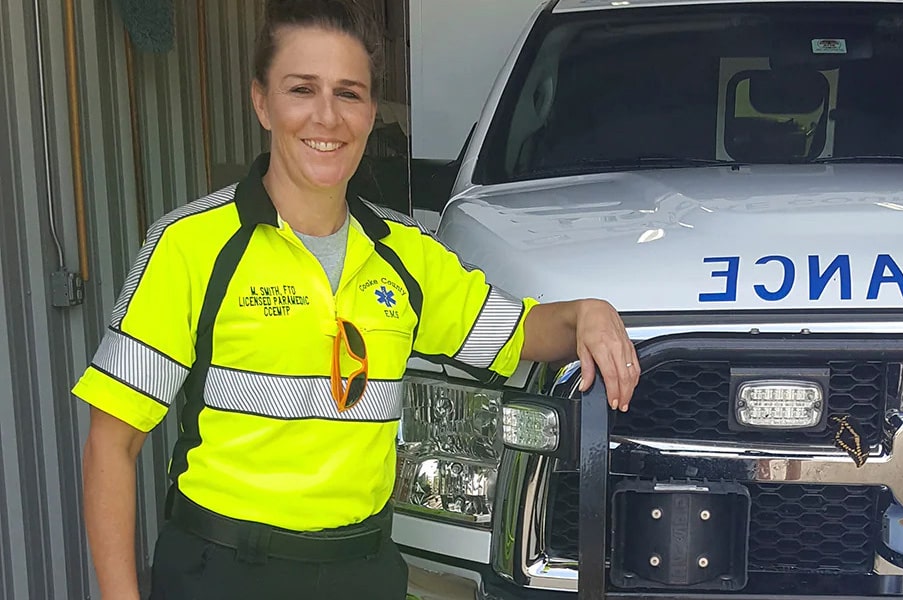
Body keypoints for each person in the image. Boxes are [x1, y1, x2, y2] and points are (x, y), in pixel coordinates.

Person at [72, 1, 640, 598]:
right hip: (223, 570)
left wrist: (585, 313)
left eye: (349, 93)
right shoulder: (192, 246)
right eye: (301, 89)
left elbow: (521, 333)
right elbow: (114, 443)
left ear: (372, 113)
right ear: (262, 102)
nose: (327, 116)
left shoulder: (406, 255)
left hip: (362, 568)